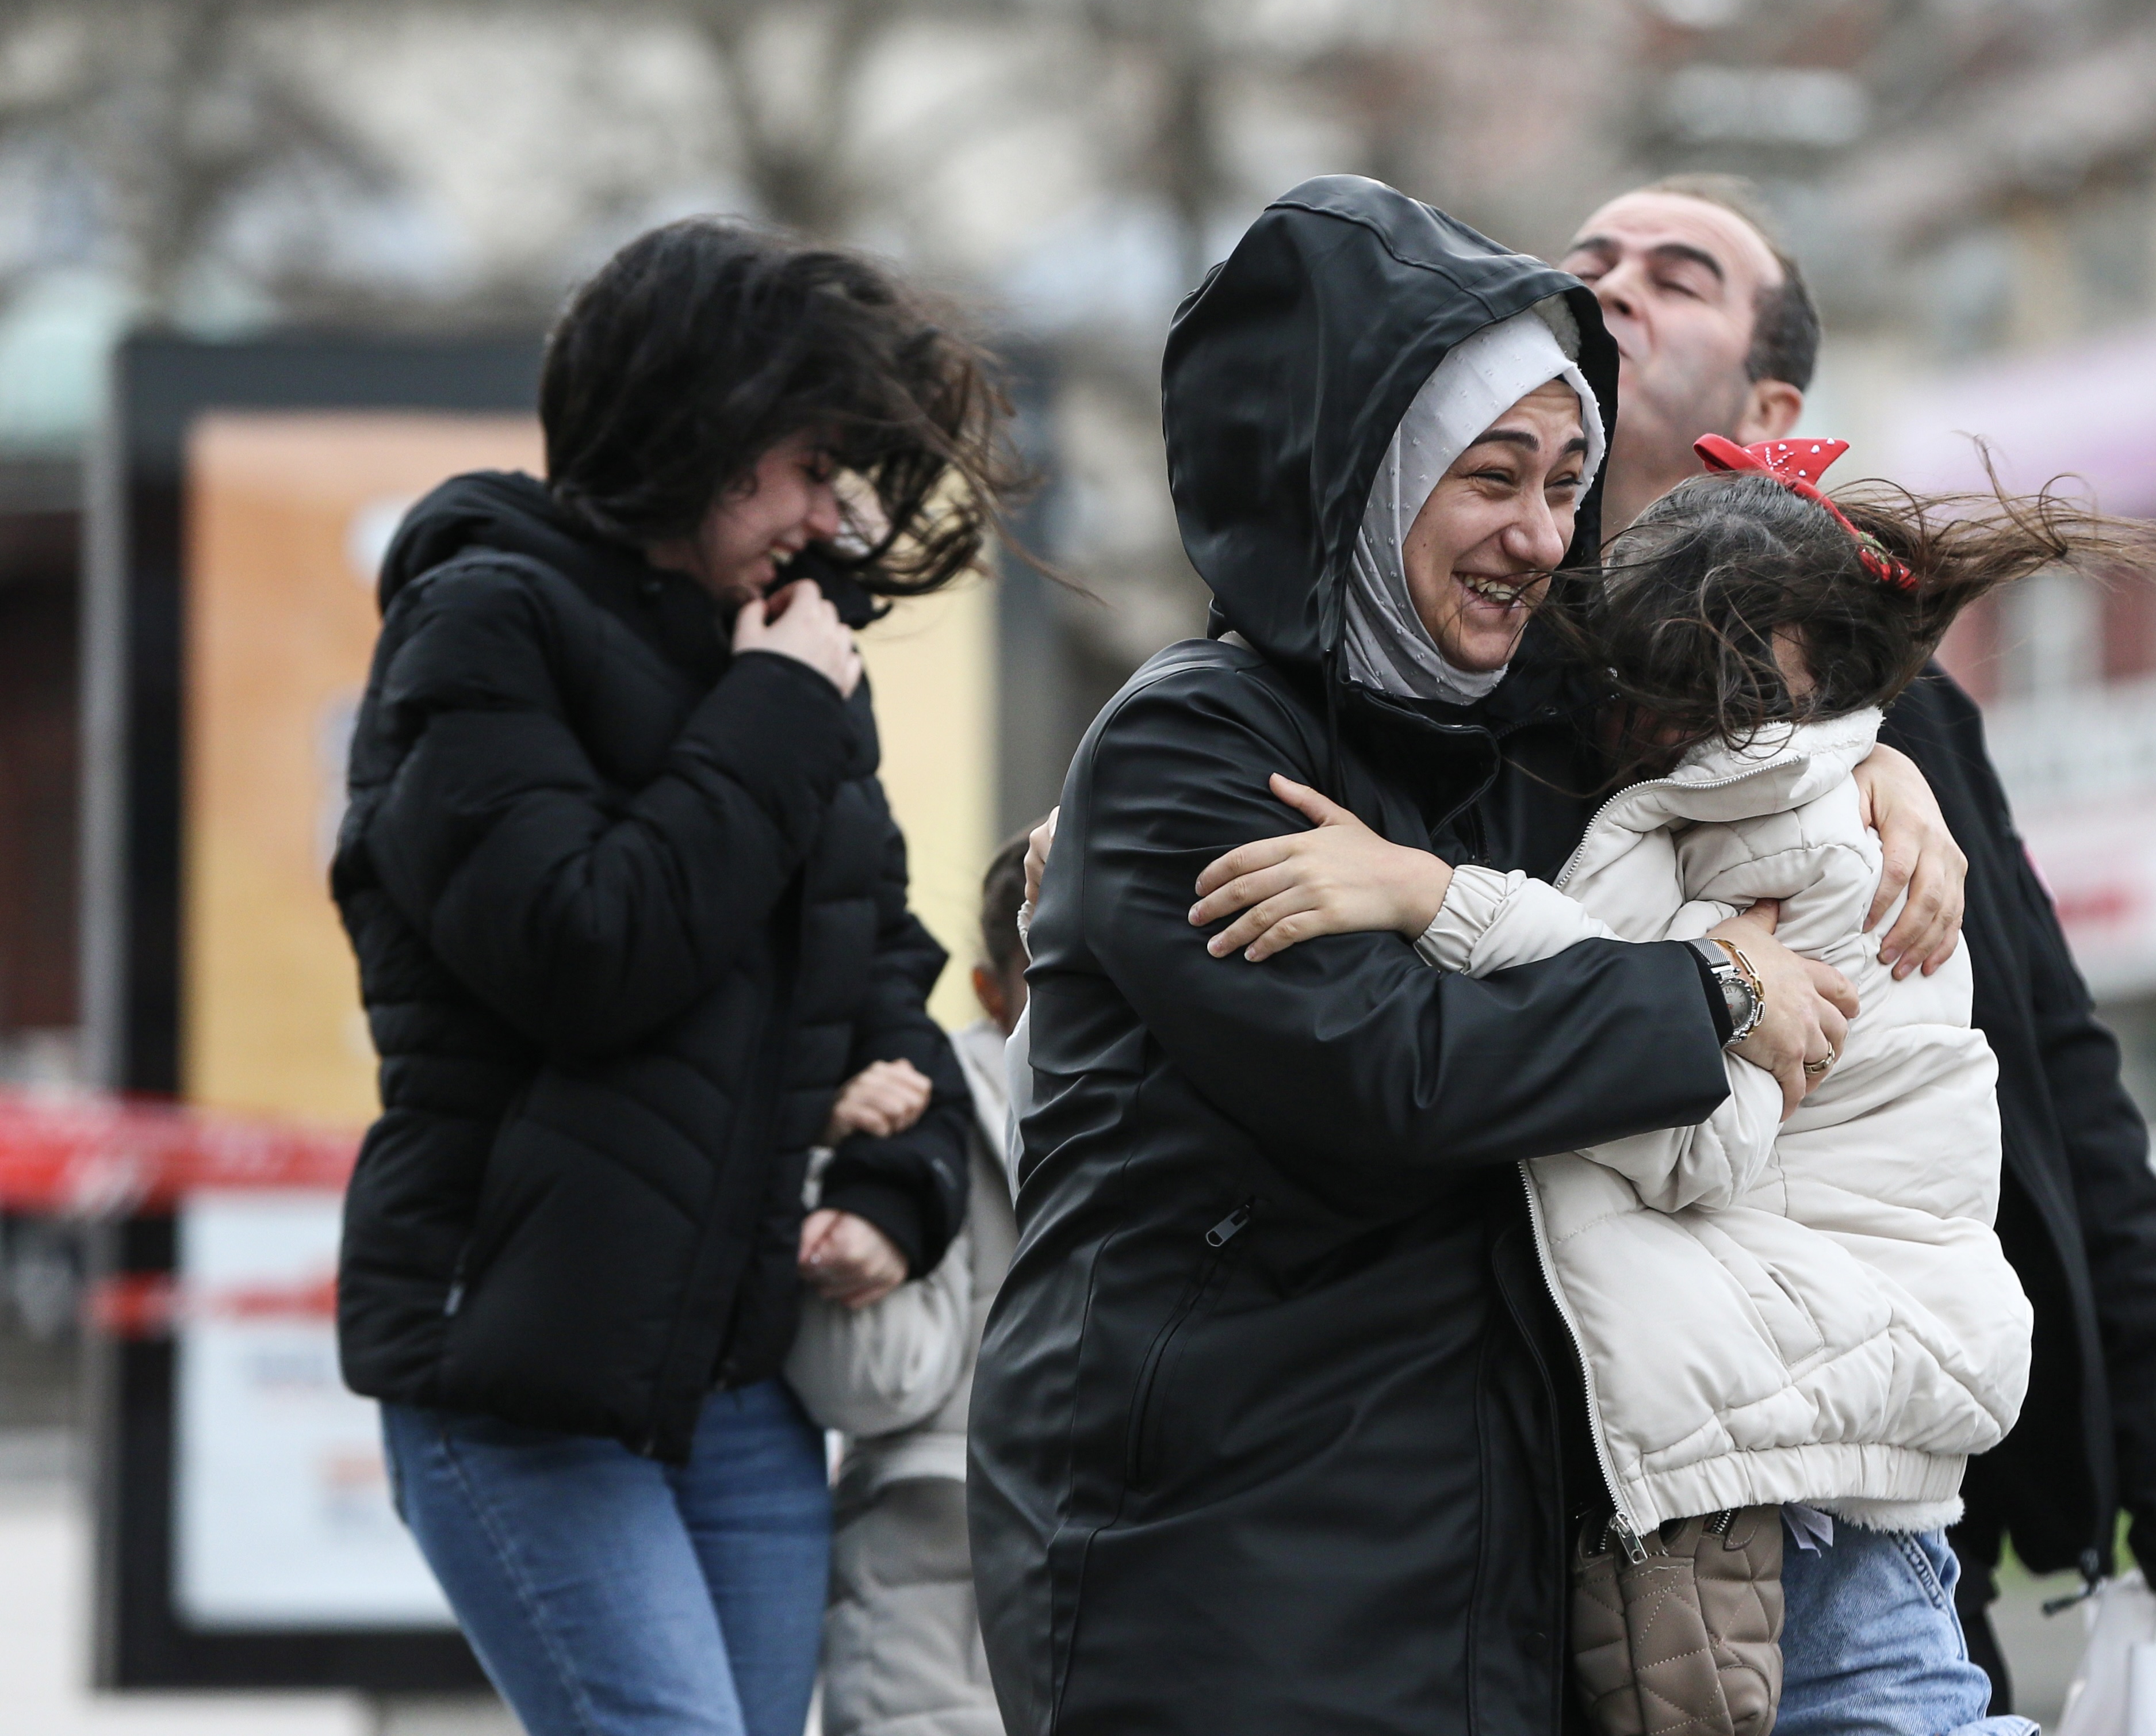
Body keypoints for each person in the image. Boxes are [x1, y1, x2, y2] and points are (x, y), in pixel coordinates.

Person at [968, 175, 1871, 1736]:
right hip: (1211, 1556)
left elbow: (1765, 751)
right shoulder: (1191, 744)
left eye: (1569, 482)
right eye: (1495, 476)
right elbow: (1387, 1067)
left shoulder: (1529, 744)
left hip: (1485, 1568)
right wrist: (1706, 990)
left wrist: (1892, 780)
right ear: (1362, 475)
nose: (1540, 536)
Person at [1190, 435, 2156, 1736]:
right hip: (1781, 1416)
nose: (1657, 726)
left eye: (1710, 691)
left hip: (1801, 1471)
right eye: (1646, 688)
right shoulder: (1743, 802)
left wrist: (1434, 898)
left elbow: (1684, 1132)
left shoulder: (1804, 839)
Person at [1561, 174, 2156, 1705]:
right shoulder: (1482, 666)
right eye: (1588, 262)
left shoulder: (1918, 727)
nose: (1614, 284)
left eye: (1678, 275)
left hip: (1886, 1486)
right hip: (1599, 1486)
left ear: (1773, 398)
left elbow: (2062, 1085)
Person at [332, 217, 1010, 1736]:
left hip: (736, 1381)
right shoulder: (486, 620)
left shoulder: (788, 656)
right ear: (691, 433)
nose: (828, 509)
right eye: (801, 461)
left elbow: (883, 972)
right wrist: (771, 706)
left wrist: (893, 1197)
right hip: (516, 1367)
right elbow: (586, 951)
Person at [815, 831, 1031, 1736]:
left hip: (1131, 1595)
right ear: (990, 995)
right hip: (932, 1602)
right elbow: (864, 1381)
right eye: (1057, 972)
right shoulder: (917, 1116)